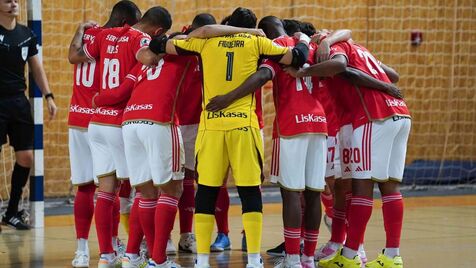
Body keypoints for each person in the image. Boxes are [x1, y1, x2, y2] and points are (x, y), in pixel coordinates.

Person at [146, 7, 312, 268]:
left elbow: (159, 44)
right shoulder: (258, 41)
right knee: (249, 193)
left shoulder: (205, 42)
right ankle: (254, 260)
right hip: (243, 126)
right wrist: (303, 39)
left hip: (211, 126)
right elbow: (299, 58)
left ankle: (201, 259)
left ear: (229, 24)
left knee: (207, 192)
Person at [285, 40, 407, 268]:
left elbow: (341, 67)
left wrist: (305, 72)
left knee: (360, 187)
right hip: (400, 113)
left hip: (372, 114)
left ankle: (350, 255)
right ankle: (392, 256)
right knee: (390, 187)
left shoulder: (331, 47)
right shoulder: (360, 49)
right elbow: (393, 75)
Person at [69, 6, 172, 267]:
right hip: (118, 121)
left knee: (105, 190)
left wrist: (81, 30)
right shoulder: (142, 40)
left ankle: (106, 256)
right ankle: (135, 254)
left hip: (96, 123)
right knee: (143, 191)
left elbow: (76, 56)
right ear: (158, 31)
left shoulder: (106, 35)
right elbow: (143, 62)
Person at [66, 1, 141, 267]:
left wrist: (78, 30)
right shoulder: (120, 40)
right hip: (104, 116)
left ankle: (82, 251)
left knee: (86, 187)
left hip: (77, 117)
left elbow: (73, 56)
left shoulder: (91, 34)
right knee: (120, 184)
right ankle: (115, 245)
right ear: (127, 22)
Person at [0, 0, 57, 231]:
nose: (14, 4)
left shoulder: (26, 34)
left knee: (27, 158)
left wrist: (49, 96)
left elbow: (37, 68)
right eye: (8, 0)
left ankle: (12, 212)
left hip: (18, 102)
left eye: (16, 0)